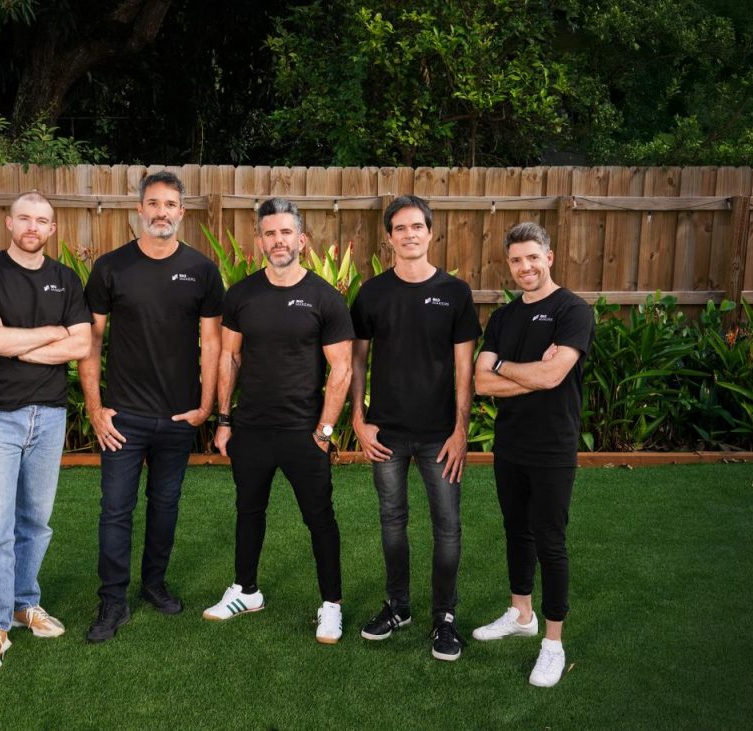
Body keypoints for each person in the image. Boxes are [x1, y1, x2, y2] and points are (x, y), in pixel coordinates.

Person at [80, 171, 224, 643]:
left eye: (170, 204)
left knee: (165, 505)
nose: (162, 212)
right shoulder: (111, 268)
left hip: (179, 416)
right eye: (154, 203)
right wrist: (96, 409)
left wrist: (204, 407)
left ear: (182, 212)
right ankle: (112, 600)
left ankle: (154, 583)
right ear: (140, 210)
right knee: (115, 510)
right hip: (123, 416)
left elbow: (212, 342)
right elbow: (90, 342)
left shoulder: (202, 270)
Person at [203, 197, 354, 644]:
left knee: (319, 518)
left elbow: (342, 369)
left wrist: (324, 431)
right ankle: (246, 591)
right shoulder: (241, 295)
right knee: (248, 510)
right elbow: (229, 357)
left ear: (301, 240)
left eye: (286, 232)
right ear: (259, 241)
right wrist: (225, 419)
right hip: (251, 429)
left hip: (303, 432)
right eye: (270, 233)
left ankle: (331, 605)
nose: (278, 240)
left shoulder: (325, 298)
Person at [0, 191, 92, 673]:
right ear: (9, 223)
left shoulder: (66, 279)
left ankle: (23, 603)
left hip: (49, 415)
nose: (33, 227)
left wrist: (14, 343)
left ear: (52, 229)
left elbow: (81, 345)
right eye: (24, 218)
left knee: (36, 521)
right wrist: (52, 332)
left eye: (41, 220)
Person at [349, 195, 481, 661]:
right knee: (392, 521)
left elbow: (464, 370)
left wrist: (461, 431)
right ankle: (398, 606)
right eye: (400, 228)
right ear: (389, 238)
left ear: (430, 232)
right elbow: (357, 361)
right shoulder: (372, 293)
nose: (409, 235)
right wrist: (358, 419)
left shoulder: (455, 292)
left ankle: (445, 617)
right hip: (386, 434)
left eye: (417, 227)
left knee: (447, 527)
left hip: (440, 436)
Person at [472, 221, 594, 687]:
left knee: (550, 541)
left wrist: (506, 367)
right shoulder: (504, 317)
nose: (525, 267)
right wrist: (522, 371)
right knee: (516, 531)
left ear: (549, 258)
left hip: (552, 446)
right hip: (510, 445)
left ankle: (552, 642)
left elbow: (553, 377)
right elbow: (482, 382)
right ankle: (521, 614)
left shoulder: (572, 310)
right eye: (516, 260)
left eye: (532, 258)